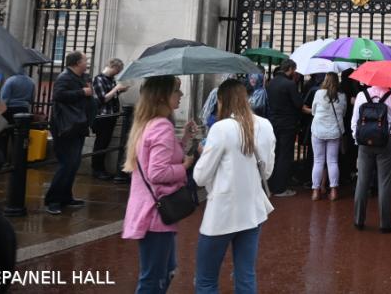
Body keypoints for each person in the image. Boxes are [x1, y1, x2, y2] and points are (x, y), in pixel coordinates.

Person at [193, 78, 276, 294]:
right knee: (245, 276)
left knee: (206, 280)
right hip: (252, 210)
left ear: (222, 100)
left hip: (222, 212)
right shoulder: (265, 125)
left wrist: (202, 155)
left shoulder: (221, 128)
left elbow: (200, 177)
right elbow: (266, 172)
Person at [122, 76, 195, 294]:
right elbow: (158, 172)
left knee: (166, 270)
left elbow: (161, 157)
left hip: (151, 210)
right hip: (156, 213)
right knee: (153, 279)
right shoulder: (162, 126)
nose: (180, 95)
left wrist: (184, 139)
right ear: (163, 96)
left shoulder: (149, 123)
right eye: (176, 91)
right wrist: (185, 166)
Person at [351, 81, 391, 233]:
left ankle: (358, 220)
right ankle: (385, 223)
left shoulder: (361, 96)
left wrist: (358, 139)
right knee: (385, 182)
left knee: (362, 181)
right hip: (386, 143)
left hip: (364, 144)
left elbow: (354, 122)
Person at [44, 51, 94, 215]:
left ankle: (66, 196)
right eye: (85, 60)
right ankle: (53, 200)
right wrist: (82, 92)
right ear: (77, 62)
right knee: (67, 164)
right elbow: (58, 95)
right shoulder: (64, 77)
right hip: (65, 127)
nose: (87, 63)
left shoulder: (81, 78)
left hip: (77, 126)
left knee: (74, 164)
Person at [266, 59, 307, 197]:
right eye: (294, 70)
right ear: (290, 69)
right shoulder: (289, 84)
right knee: (285, 155)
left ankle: (271, 184)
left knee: (275, 153)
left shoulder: (271, 83)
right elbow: (298, 104)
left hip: (273, 122)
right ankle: (280, 187)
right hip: (287, 123)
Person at [310, 72, 347, 201]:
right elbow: (343, 113)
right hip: (334, 131)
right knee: (332, 161)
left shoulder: (318, 94)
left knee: (318, 161)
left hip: (318, 130)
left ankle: (315, 191)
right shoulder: (342, 96)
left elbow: (314, 111)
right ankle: (334, 191)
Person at [91, 58, 128, 180]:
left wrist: (119, 91)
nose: (118, 72)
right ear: (113, 66)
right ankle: (97, 169)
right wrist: (116, 89)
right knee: (100, 143)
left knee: (105, 143)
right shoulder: (98, 79)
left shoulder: (111, 80)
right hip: (102, 117)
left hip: (111, 115)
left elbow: (111, 96)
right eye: (118, 70)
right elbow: (103, 99)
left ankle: (101, 169)